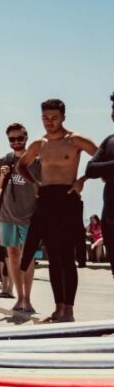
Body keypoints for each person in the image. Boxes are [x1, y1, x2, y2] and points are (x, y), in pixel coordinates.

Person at [18, 99, 97, 323]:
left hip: (68, 198)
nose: (49, 122)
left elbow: (103, 158)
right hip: (46, 199)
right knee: (53, 257)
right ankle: (58, 308)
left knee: (66, 257)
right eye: (45, 117)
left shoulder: (75, 140)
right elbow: (21, 165)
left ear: (63, 117)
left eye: (54, 117)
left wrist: (83, 179)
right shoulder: (39, 144)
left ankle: (69, 310)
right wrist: (34, 183)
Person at [0, 123, 40, 313]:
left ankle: (27, 299)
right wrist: (2, 177)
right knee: (12, 255)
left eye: (19, 138)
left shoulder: (37, 162)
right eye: (12, 139)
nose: (16, 142)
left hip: (29, 216)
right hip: (7, 215)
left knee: (27, 258)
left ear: (26, 138)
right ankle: (18, 296)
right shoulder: (3, 161)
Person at [85, 92, 114, 277]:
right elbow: (90, 169)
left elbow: (98, 168)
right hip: (110, 218)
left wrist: (106, 170)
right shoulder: (109, 141)